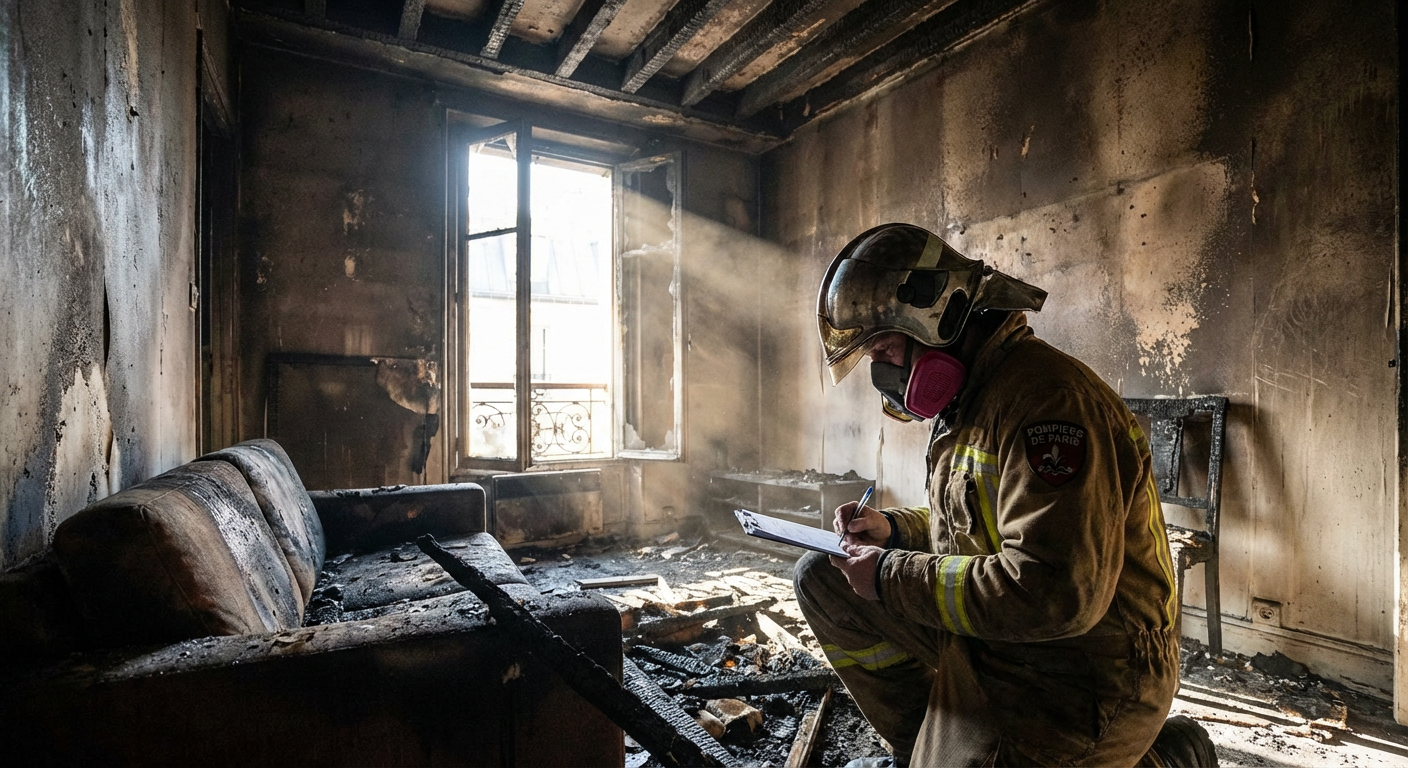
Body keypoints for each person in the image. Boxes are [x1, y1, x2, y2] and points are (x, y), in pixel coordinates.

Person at [797, 223, 1217, 767]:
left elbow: (1054, 592)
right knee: (824, 578)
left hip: (1085, 666)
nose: (884, 374)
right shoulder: (975, 398)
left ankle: (1167, 758)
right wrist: (895, 532)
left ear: (937, 317)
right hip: (1002, 638)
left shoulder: (1049, 403)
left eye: (885, 350)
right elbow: (977, 528)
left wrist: (889, 574)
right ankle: (925, 746)